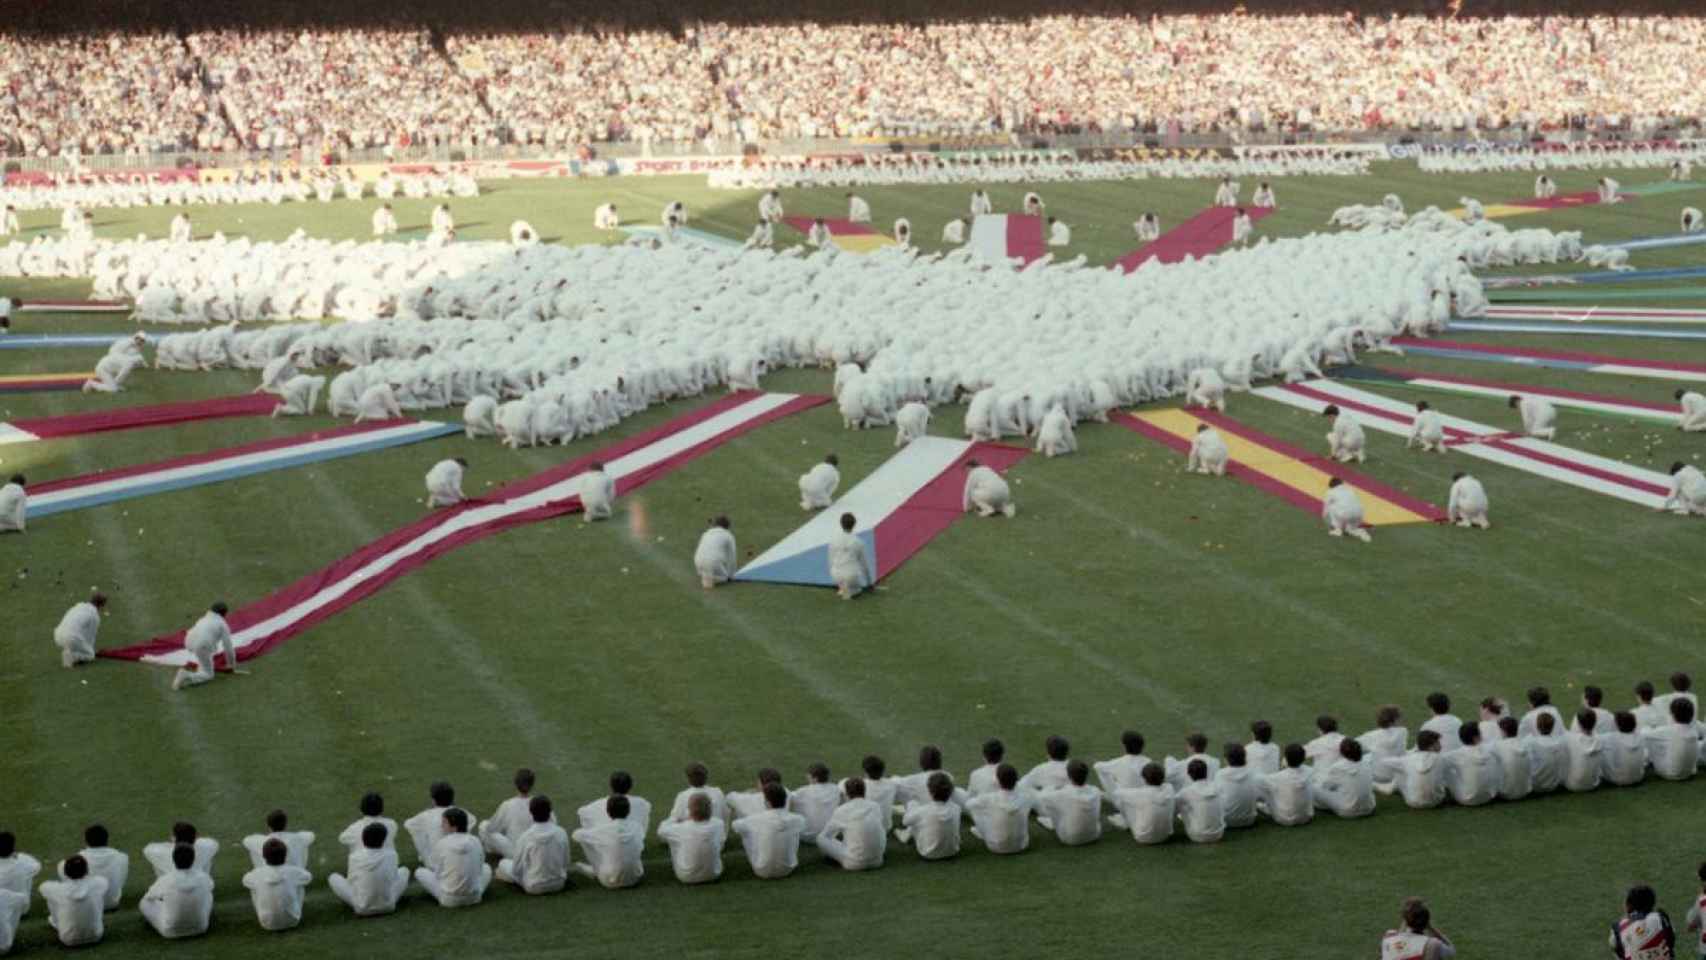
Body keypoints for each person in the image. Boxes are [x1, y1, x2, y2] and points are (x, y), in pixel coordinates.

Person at [329, 820, 409, 917]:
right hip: (388, 906)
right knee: (404, 871)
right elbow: (393, 879)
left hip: (361, 908)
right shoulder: (391, 855)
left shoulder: (355, 857)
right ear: (384, 840)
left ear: (363, 839)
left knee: (333, 878)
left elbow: (351, 881)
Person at [493, 795, 569, 895]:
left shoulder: (526, 837)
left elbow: (516, 870)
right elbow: (566, 862)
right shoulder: (561, 832)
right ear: (550, 812)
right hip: (559, 884)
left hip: (533, 886)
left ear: (531, 812)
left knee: (503, 863)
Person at [414, 808, 489, 907]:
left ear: (454, 826)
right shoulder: (475, 840)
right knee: (486, 868)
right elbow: (479, 869)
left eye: (444, 822)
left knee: (419, 872)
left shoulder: (443, 842)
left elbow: (436, 871)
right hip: (475, 897)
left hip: (449, 899)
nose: (442, 826)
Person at [734, 782, 808, 879]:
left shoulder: (754, 819)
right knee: (793, 832)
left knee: (746, 832)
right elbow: (802, 826)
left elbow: (735, 826)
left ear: (768, 802)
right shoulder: (798, 819)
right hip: (788, 869)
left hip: (761, 870)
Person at [140, 844, 213, 939]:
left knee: (144, 902)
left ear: (173, 860)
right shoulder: (203, 877)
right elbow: (210, 887)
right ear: (193, 859)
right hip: (201, 928)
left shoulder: (167, 879)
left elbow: (149, 897)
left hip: (170, 931)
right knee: (208, 895)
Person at [572, 796, 645, 889]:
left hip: (609, 881)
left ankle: (596, 870)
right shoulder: (636, 826)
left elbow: (576, 835)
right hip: (635, 877)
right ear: (629, 811)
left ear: (608, 812)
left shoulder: (604, 830)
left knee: (585, 839)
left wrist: (592, 830)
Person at [243, 838, 312, 932]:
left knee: (253, 886)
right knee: (300, 884)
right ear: (285, 855)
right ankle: (291, 908)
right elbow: (308, 877)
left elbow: (245, 880)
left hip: (266, 923)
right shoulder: (293, 872)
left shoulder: (257, 874)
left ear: (263, 856)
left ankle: (267, 910)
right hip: (293, 920)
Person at [815, 778, 885, 870]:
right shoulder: (875, 806)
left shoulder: (842, 810)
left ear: (846, 793)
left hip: (853, 863)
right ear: (864, 791)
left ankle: (834, 858)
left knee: (820, 838)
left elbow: (826, 835)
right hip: (877, 861)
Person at [964, 764, 1035, 855]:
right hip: (1021, 845)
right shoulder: (1026, 797)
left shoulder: (989, 798)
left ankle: (981, 831)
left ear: (997, 781)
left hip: (995, 847)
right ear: (1016, 780)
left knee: (976, 810)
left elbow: (968, 804)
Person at [38, 854, 106, 947]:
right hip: (96, 935)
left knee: (51, 897)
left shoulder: (57, 889)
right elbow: (100, 880)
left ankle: (56, 922)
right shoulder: (99, 883)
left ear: (65, 873)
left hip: (68, 939)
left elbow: (43, 887)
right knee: (97, 896)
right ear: (86, 871)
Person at [657, 793, 724, 885]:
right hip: (714, 874)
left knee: (673, 839)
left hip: (686, 877)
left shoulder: (681, 828)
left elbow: (661, 831)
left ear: (690, 811)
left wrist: (674, 819)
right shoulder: (719, 824)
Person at [1035, 760, 1104, 846]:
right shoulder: (1095, 791)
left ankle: (1051, 822)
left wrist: (1051, 787)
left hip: (1069, 839)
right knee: (1063, 804)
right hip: (1094, 835)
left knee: (1051, 803)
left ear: (1069, 776)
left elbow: (1042, 797)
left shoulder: (1064, 793)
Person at [479, 769, 544, 859]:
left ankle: (492, 850)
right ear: (532, 785)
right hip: (536, 850)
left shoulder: (508, 804)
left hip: (514, 851)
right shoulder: (541, 804)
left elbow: (491, 828)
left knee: (483, 826)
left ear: (515, 784)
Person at [172, 601, 237, 690]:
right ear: (224, 614)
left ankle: (201, 667)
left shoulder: (204, 618)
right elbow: (228, 647)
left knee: (204, 655)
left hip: (188, 641)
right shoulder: (222, 625)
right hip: (202, 646)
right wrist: (231, 665)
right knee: (209, 675)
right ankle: (186, 675)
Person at [900, 773, 963, 861]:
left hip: (928, 853)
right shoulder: (956, 808)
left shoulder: (923, 810)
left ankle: (905, 835)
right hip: (953, 851)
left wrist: (911, 805)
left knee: (914, 817)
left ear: (930, 792)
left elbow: (905, 822)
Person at [1376, 730, 1446, 808]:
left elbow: (1384, 761)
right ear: (1432, 745)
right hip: (1437, 801)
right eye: (1438, 742)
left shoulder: (1407, 759)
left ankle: (1390, 788)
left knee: (1399, 769)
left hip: (1413, 802)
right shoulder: (1442, 758)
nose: (1441, 745)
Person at [1109, 762, 1175, 844]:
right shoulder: (1169, 788)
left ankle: (1125, 822)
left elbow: (1117, 793)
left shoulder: (1139, 794)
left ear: (1144, 778)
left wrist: (1116, 782)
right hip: (1166, 836)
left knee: (1124, 800)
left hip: (1142, 837)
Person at [67, 824, 127, 912]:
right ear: (107, 839)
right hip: (112, 903)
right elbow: (121, 880)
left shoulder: (78, 859)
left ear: (86, 840)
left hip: (87, 905)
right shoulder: (122, 857)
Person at [1255, 743, 1314, 826]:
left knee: (1265, 788)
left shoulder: (1276, 777)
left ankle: (1262, 807)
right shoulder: (1310, 771)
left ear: (1285, 759)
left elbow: (1257, 781)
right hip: (1306, 817)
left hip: (1283, 819)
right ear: (1303, 758)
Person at [1312, 739, 1375, 818]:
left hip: (1348, 811)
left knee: (1313, 788)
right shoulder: (1368, 762)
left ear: (1342, 753)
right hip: (1369, 808)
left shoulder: (1339, 767)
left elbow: (1325, 786)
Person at [1611, 885, 1676, 960]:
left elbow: (1620, 955)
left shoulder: (1617, 929)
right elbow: (1671, 942)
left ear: (1628, 906)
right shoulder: (1661, 918)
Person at [1645, 699, 1703, 781]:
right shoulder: (1694, 728)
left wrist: (1648, 727)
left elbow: (1645, 735)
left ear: (1672, 714)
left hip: (1669, 773)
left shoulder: (1667, 730)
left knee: (1652, 741)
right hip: (1690, 771)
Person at [1444, 722, 1501, 806]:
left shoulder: (1455, 755)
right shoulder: (1489, 749)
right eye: (1480, 732)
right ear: (1476, 737)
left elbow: (1441, 763)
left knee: (1447, 769)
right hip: (1489, 796)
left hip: (1465, 799)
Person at [403, 781, 457, 869]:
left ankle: (425, 856)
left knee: (417, 830)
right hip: (458, 859)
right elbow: (472, 820)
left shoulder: (426, 815)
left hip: (435, 865)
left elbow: (408, 824)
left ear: (433, 800)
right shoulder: (462, 813)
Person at [1381, 898, 1456, 960]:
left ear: (1406, 920)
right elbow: (1451, 951)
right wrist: (1431, 928)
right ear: (1427, 922)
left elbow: (1399, 938)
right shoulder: (1433, 944)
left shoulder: (1389, 937)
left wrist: (1406, 920)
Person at [242, 810, 315, 870]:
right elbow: (311, 835)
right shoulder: (297, 838)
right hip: (295, 876)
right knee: (303, 845)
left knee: (254, 849)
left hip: (267, 878)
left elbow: (246, 840)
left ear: (268, 826)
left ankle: (262, 871)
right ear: (286, 824)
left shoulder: (261, 842)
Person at [826, 512, 874, 600]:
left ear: (841, 524)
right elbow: (864, 566)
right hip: (851, 576)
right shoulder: (858, 542)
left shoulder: (833, 540)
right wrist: (869, 583)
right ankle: (849, 590)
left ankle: (843, 588)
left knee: (845, 581)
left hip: (835, 575)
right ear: (854, 525)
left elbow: (830, 560)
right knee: (856, 589)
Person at [52, 592, 107, 668]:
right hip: (70, 638)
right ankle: (72, 656)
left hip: (58, 634)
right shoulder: (94, 616)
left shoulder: (79, 605)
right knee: (90, 655)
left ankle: (71, 651)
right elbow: (90, 638)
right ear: (101, 605)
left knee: (78, 642)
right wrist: (90, 650)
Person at [1175, 759, 1225, 843]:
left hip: (1197, 836)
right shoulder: (1217, 787)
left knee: (1181, 803)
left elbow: (1173, 809)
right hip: (1219, 833)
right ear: (1206, 772)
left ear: (1189, 774)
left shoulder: (1185, 792)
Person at [143, 822, 217, 878]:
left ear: (173, 838)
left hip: (170, 892)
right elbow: (211, 842)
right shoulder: (208, 846)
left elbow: (148, 849)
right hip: (200, 889)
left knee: (157, 861)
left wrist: (170, 845)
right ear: (196, 836)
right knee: (208, 856)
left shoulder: (158, 851)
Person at [787, 764, 840, 841]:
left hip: (806, 835)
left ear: (815, 778)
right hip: (830, 834)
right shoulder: (835, 789)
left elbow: (786, 798)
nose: (807, 778)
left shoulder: (803, 791)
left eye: (809, 776)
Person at [1490, 716, 1534, 801]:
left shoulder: (1497, 746)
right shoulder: (1525, 744)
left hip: (1505, 793)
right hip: (1525, 791)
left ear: (1503, 731)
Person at [1564, 710, 1605, 793]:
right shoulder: (1600, 739)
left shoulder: (1569, 738)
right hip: (1593, 784)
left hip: (1572, 785)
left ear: (1578, 723)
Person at [0, 834, 39, 918]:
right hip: (20, 908)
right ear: (13, 847)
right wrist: (17, 856)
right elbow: (37, 866)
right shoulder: (23, 861)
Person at [1322, 478, 1371, 542]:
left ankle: (1337, 530)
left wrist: (1327, 520)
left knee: (1331, 507)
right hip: (1360, 514)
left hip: (1346, 514)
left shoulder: (1330, 491)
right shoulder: (1350, 489)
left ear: (1331, 486)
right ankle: (1361, 532)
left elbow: (1326, 508)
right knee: (1351, 530)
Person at [694, 516, 737, 588]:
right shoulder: (728, 536)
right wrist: (731, 576)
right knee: (724, 578)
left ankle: (704, 574)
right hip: (713, 562)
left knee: (707, 569)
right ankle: (710, 577)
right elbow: (732, 557)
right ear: (728, 526)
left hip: (697, 560)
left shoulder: (706, 533)